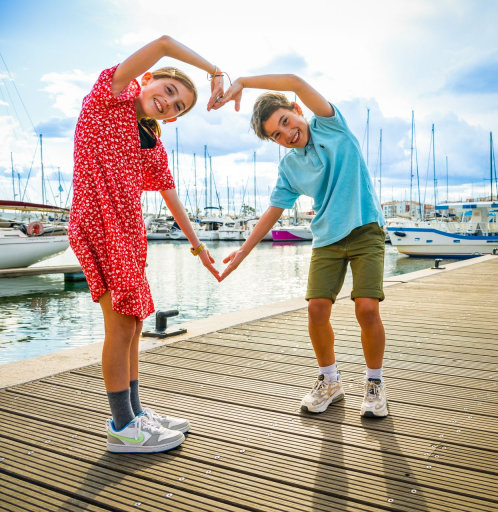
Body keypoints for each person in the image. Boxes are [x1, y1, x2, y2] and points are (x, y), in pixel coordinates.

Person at [69, 36, 223, 453]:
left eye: (178, 108)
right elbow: (165, 43)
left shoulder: (150, 139)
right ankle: (122, 427)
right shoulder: (109, 97)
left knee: (135, 323)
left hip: (129, 230)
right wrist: (213, 72)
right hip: (99, 221)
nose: (169, 104)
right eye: (169, 92)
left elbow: (170, 195)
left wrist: (200, 249)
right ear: (149, 79)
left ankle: (135, 414)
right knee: (120, 323)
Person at [212, 74, 390, 418]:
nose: (287, 134)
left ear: (296, 109)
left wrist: (244, 82)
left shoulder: (330, 126)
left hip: (366, 229)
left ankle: (375, 384)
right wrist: (242, 253)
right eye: (277, 135)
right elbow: (273, 211)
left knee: (367, 308)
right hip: (326, 239)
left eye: (285, 121)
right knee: (316, 310)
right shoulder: (290, 167)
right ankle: (330, 381)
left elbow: (295, 80)